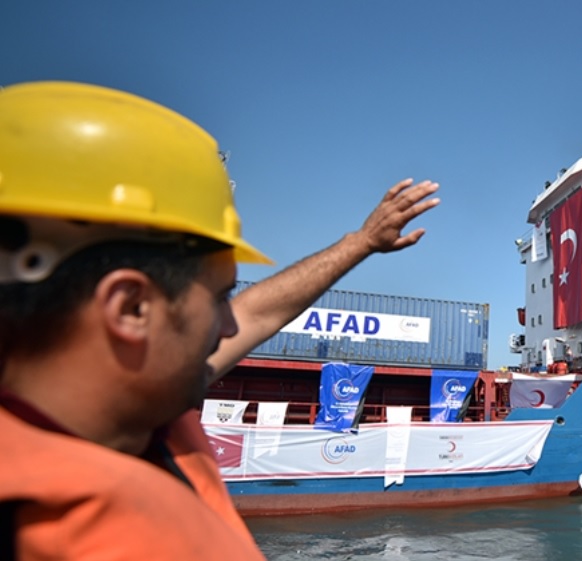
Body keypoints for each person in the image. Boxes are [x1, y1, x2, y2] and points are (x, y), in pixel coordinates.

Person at [0, 81, 439, 560]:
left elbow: (258, 313)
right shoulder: (73, 536)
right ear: (130, 309)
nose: (229, 327)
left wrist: (361, 242)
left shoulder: (139, 407)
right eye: (217, 298)